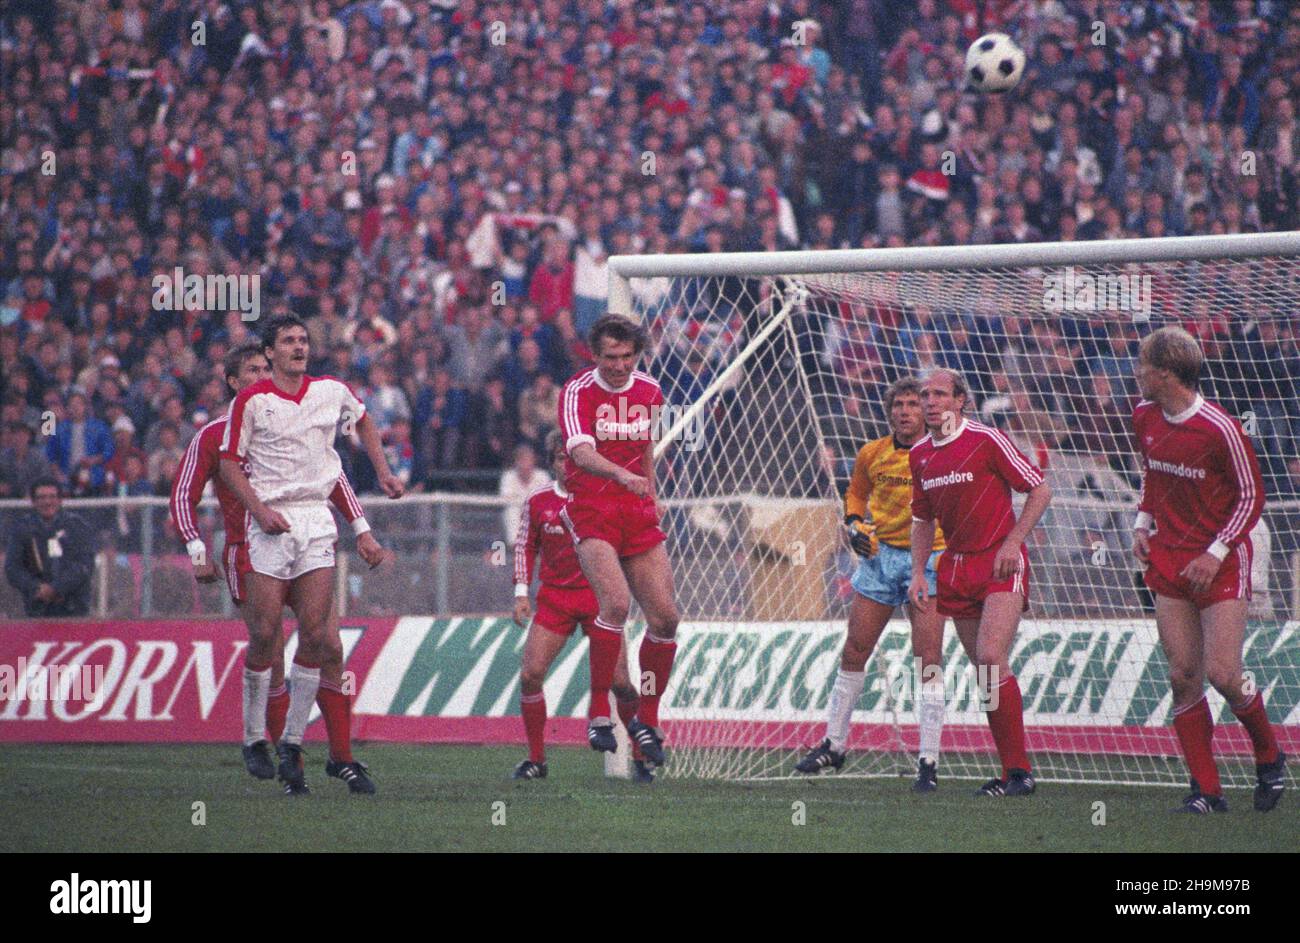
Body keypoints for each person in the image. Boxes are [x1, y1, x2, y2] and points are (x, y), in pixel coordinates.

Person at [170, 342, 387, 786]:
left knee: (328, 644)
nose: (261, 375)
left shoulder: (291, 416)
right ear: (233, 382)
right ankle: (287, 763)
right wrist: (196, 549)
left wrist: (361, 527)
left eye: (265, 368)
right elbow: (181, 496)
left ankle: (339, 756)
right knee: (269, 649)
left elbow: (330, 479)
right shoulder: (214, 434)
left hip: (306, 538)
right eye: (252, 370)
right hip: (248, 550)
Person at [219, 316, 404, 795]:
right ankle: (252, 737)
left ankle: (293, 743)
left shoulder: (330, 391)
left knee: (319, 637)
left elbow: (362, 420)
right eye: (288, 341)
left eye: (303, 340)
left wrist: (382, 472)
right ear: (272, 352)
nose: (299, 347)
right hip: (270, 522)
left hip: (315, 521)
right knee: (264, 636)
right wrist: (258, 511)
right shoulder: (252, 401)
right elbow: (229, 464)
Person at [1131, 326, 1285, 813]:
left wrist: (1214, 553)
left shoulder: (1222, 428)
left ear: (1165, 374)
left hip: (1219, 560)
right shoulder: (1144, 416)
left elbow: (1251, 498)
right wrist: (1142, 521)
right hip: (1169, 558)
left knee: (1223, 672)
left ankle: (1269, 753)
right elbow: (1153, 474)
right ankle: (1207, 790)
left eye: (1143, 366)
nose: (1136, 374)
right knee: (1182, 674)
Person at [795, 378, 948, 791]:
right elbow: (856, 496)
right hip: (880, 561)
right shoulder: (871, 453)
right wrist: (853, 523)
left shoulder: (941, 454)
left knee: (927, 657)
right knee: (855, 648)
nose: (905, 411)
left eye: (913, 404)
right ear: (889, 411)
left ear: (925, 411)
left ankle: (929, 759)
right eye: (898, 404)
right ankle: (835, 743)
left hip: (930, 560)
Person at [909, 368, 1053, 798]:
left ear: (960, 401)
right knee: (985, 672)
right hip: (957, 567)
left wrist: (1013, 542)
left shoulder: (986, 439)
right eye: (924, 395)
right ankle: (1012, 774)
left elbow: (1040, 489)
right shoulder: (920, 455)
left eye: (939, 394)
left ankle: (1022, 771)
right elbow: (922, 519)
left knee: (991, 656)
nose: (930, 401)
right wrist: (919, 571)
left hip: (1000, 562)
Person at [557, 315, 679, 766]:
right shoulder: (577, 391)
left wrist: (651, 490)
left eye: (628, 356)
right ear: (595, 354)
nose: (620, 365)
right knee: (616, 604)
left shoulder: (649, 390)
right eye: (611, 357)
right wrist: (621, 474)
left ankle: (647, 717)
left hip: (636, 510)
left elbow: (646, 445)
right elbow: (580, 452)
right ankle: (597, 712)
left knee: (666, 619)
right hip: (592, 508)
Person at [511, 431, 653, 782]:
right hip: (556, 600)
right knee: (530, 676)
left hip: (600, 601)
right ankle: (536, 760)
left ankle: (639, 758)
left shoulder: (604, 497)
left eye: (574, 456)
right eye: (561, 457)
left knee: (621, 683)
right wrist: (520, 593)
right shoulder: (538, 501)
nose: (568, 463)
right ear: (553, 462)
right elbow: (524, 546)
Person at [5, 477, 96, 617]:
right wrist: (36, 588)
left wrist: (57, 588)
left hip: (74, 609)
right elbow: (13, 568)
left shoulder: (77, 526)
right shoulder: (22, 529)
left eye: (52, 497)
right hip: (36, 610)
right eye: (41, 497)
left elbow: (85, 565)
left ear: (60, 500)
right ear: (33, 501)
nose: (47, 502)